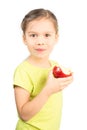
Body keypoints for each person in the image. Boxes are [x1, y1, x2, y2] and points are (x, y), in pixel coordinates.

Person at [13, 8, 73, 130]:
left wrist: (66, 79)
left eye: (47, 35)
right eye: (33, 35)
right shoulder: (23, 71)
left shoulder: (55, 66)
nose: (40, 42)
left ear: (56, 38)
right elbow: (23, 115)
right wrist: (48, 90)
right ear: (24, 38)